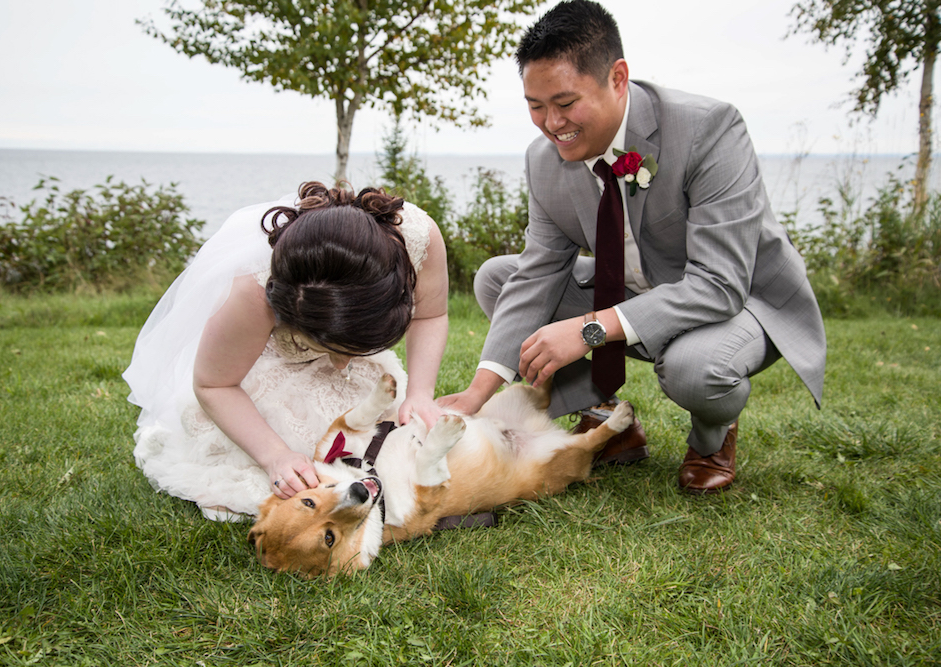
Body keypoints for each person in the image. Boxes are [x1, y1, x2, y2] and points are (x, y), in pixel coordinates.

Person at [439, 0, 826, 494]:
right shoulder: (544, 160)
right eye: (536, 106)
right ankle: (607, 422)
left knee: (696, 369)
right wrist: (478, 390)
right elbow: (538, 272)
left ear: (617, 78)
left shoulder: (711, 128)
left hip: (740, 300)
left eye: (564, 103)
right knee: (499, 277)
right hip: (635, 295)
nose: (551, 123)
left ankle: (712, 438)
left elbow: (718, 284)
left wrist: (590, 328)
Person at [123, 181, 449, 521]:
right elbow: (214, 384)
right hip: (255, 373)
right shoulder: (252, 291)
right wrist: (275, 456)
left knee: (392, 453)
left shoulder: (416, 236)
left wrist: (421, 393)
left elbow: (431, 314)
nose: (342, 365)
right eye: (329, 348)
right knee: (304, 465)